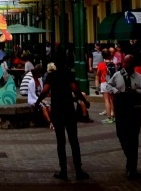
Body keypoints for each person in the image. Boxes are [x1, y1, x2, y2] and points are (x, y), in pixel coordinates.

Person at [35, 50, 89, 181]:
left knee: (61, 142)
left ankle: (63, 170)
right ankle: (78, 170)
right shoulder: (68, 74)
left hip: (57, 110)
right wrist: (84, 100)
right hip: (69, 109)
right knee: (74, 141)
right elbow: (75, 89)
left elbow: (45, 90)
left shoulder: (51, 76)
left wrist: (38, 101)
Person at [107, 53, 141, 180]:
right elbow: (108, 85)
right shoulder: (117, 75)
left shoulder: (140, 78)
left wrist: (137, 91)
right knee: (122, 135)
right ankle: (130, 158)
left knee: (133, 138)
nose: (127, 65)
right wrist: (115, 91)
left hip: (134, 111)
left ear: (133, 64)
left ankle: (132, 167)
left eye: (129, 63)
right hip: (121, 110)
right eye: (125, 63)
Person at [97, 49, 116, 123]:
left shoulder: (101, 65)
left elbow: (98, 75)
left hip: (104, 83)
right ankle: (114, 116)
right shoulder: (114, 64)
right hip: (112, 83)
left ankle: (109, 117)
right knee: (112, 100)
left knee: (106, 101)